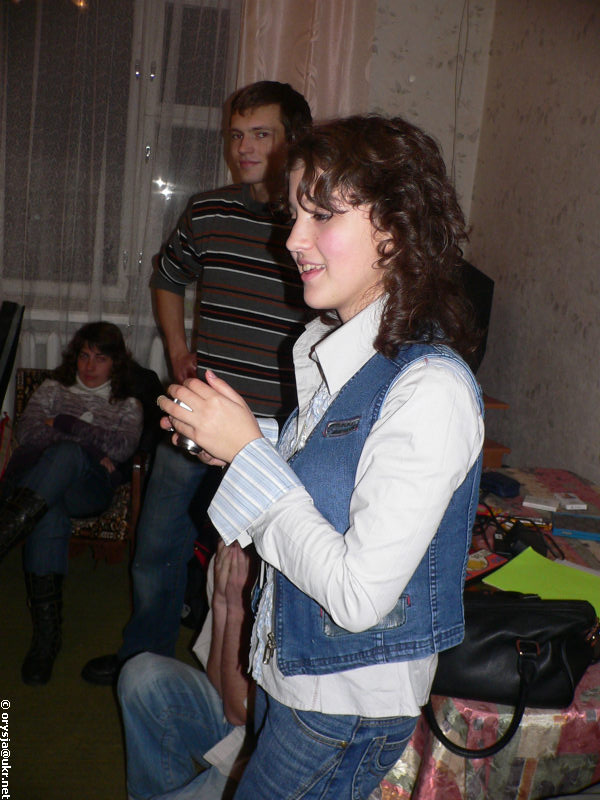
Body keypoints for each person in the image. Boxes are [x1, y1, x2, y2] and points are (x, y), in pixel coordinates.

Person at [159, 114, 486, 799]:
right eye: (294, 214)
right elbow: (328, 473)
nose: (292, 239)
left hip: (343, 706)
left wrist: (250, 454)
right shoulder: (329, 352)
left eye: (322, 215)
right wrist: (238, 442)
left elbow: (358, 597)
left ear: (394, 231)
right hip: (292, 672)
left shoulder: (433, 389)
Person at [81, 80, 312, 686]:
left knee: (265, 566)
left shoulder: (312, 222)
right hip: (195, 416)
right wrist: (179, 349)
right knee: (157, 546)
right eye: (236, 135)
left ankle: (250, 684)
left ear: (294, 139)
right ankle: (145, 662)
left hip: (275, 433)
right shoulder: (208, 210)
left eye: (260, 134)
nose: (244, 148)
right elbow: (167, 276)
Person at [0, 322, 143, 685]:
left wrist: (63, 423)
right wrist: (92, 447)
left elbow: (121, 448)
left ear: (116, 363)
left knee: (66, 454)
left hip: (88, 490)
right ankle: (45, 641)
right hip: (38, 482)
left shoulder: (128, 404)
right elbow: (27, 433)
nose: (89, 366)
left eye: (100, 358)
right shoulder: (52, 388)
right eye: (83, 355)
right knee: (48, 510)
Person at [118, 541, 256, 800]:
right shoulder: (234, 551)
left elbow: (238, 712)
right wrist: (222, 604)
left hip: (280, 759)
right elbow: (218, 680)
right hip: (241, 725)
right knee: (141, 677)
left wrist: (237, 610)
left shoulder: (290, 573)